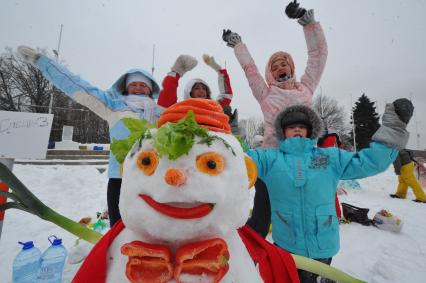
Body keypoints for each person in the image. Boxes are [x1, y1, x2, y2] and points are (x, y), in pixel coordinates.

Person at [246, 98, 413, 283]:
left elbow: (370, 162)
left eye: (301, 126)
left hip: (323, 245)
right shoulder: (269, 159)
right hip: (286, 246)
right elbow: (239, 161)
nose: (297, 129)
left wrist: (394, 127)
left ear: (310, 130)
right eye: (291, 126)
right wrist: (224, 134)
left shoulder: (329, 157)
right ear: (283, 132)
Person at [17, 46, 161, 227]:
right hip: (120, 178)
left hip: (153, 177)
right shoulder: (112, 106)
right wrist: (43, 62)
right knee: (119, 230)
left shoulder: (160, 112)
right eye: (133, 84)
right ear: (126, 87)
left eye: (143, 84)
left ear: (150, 89)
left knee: (153, 228)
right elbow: (78, 86)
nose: (138, 87)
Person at [222, 0, 327, 148]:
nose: (280, 68)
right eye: (275, 67)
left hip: (305, 155)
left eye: (284, 64)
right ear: (270, 74)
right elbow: (250, 69)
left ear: (291, 68)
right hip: (274, 158)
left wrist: (309, 24)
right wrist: (238, 45)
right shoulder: (266, 94)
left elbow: (318, 56)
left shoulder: (306, 87)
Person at [157, 54, 239, 134]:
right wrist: (176, 71)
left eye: (204, 89)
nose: (201, 91)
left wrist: (219, 69)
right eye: (196, 88)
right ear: (189, 92)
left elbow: (227, 95)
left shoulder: (214, 108)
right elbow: (165, 103)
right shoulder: (181, 110)